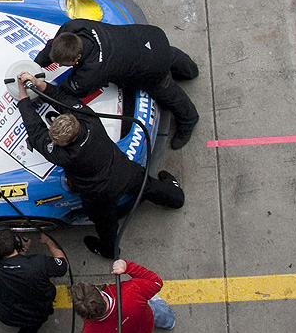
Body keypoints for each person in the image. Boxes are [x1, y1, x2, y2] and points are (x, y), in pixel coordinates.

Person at [16, 72, 184, 258]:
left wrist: (22, 96)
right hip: (123, 170)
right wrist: (39, 83)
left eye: (57, 142)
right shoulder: (88, 119)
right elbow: (62, 99)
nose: (54, 143)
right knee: (148, 186)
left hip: (99, 195)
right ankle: (176, 198)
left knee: (106, 224)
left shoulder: (64, 156)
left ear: (67, 142)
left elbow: (35, 131)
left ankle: (109, 250)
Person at [34, 19, 200, 150]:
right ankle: (190, 70)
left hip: (151, 65)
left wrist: (39, 88)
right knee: (168, 54)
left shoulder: (91, 72)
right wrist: (37, 65)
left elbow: (67, 91)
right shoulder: (73, 27)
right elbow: (54, 45)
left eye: (63, 64)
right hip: (149, 36)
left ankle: (189, 119)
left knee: (166, 90)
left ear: (76, 59)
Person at [70, 259, 174, 333]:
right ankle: (169, 322)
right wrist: (127, 266)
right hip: (147, 318)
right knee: (157, 309)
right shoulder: (131, 291)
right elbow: (156, 282)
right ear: (100, 292)